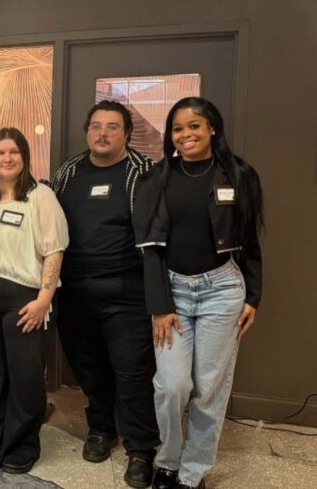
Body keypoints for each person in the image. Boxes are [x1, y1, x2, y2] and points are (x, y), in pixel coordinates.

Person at [134, 97, 263, 489]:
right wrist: (160, 306)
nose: (185, 134)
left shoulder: (239, 175)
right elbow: (150, 249)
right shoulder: (156, 178)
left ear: (212, 129)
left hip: (223, 291)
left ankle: (192, 473)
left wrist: (252, 296)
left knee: (208, 390)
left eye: (194, 126)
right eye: (177, 128)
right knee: (172, 385)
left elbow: (249, 241)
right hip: (172, 291)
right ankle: (169, 460)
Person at [51, 100, 159, 488]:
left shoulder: (145, 173)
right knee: (88, 368)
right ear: (87, 131)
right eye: (96, 126)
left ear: (127, 134)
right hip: (76, 290)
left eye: (112, 127)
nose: (103, 133)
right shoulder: (68, 172)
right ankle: (101, 427)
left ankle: (141, 448)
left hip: (127, 292)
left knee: (132, 372)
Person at [0, 127, 68, 474]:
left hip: (24, 300)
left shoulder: (40, 196)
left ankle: (21, 444)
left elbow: (54, 251)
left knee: (25, 376)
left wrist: (44, 300)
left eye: (14, 152)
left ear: (24, 157)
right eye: (0, 152)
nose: (7, 158)